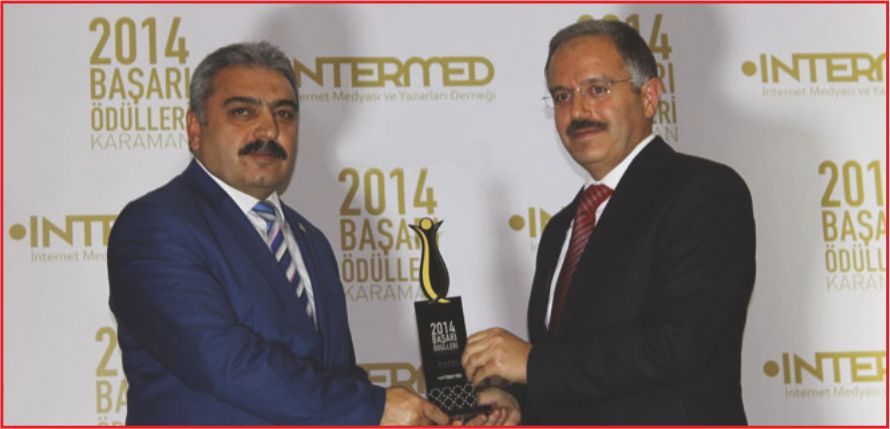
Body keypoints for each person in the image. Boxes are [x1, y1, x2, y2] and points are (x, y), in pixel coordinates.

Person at [107, 41, 448, 426]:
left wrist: (435, 414)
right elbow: (225, 363)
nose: (269, 129)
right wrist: (375, 407)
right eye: (243, 111)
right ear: (195, 129)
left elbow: (336, 379)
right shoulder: (156, 225)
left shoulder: (311, 240)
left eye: (284, 114)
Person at [461, 19, 756, 425]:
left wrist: (533, 364)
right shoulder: (561, 229)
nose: (578, 111)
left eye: (597, 89)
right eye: (562, 95)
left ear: (649, 97)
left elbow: (678, 344)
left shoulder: (705, 191)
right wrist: (519, 402)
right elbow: (574, 366)